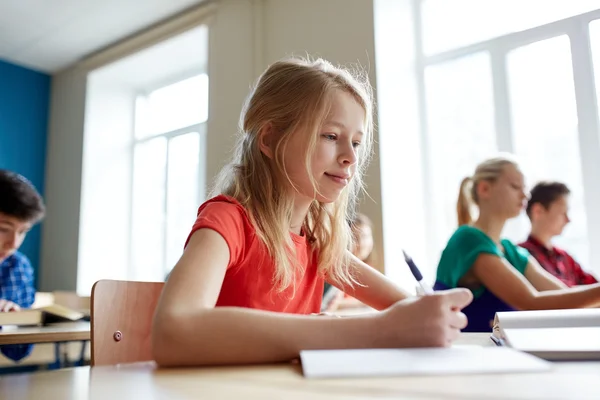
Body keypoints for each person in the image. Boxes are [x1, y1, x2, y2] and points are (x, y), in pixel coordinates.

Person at [152, 57, 472, 367]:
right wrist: (364, 330)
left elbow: (412, 309)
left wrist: (432, 316)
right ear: (269, 138)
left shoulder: (318, 242)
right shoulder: (227, 221)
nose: (350, 157)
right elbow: (172, 331)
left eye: (357, 143)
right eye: (331, 136)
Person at [434, 155, 600, 332]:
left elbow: (563, 294)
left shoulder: (511, 251)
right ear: (484, 189)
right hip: (469, 351)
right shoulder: (468, 239)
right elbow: (531, 302)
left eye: (525, 188)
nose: (525, 195)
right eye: (515, 187)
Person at [0, 169, 45, 361]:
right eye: (3, 229)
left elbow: (18, 352)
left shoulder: (18, 268)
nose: (14, 244)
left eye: (23, 232)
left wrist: (10, 322)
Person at [520, 181, 597, 287]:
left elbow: (593, 287)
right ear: (538, 211)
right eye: (562, 212)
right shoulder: (521, 257)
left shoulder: (565, 257)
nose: (568, 219)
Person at [322, 213, 374, 312]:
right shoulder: (337, 269)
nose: (362, 243)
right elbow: (328, 304)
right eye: (356, 238)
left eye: (366, 236)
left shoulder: (368, 269)